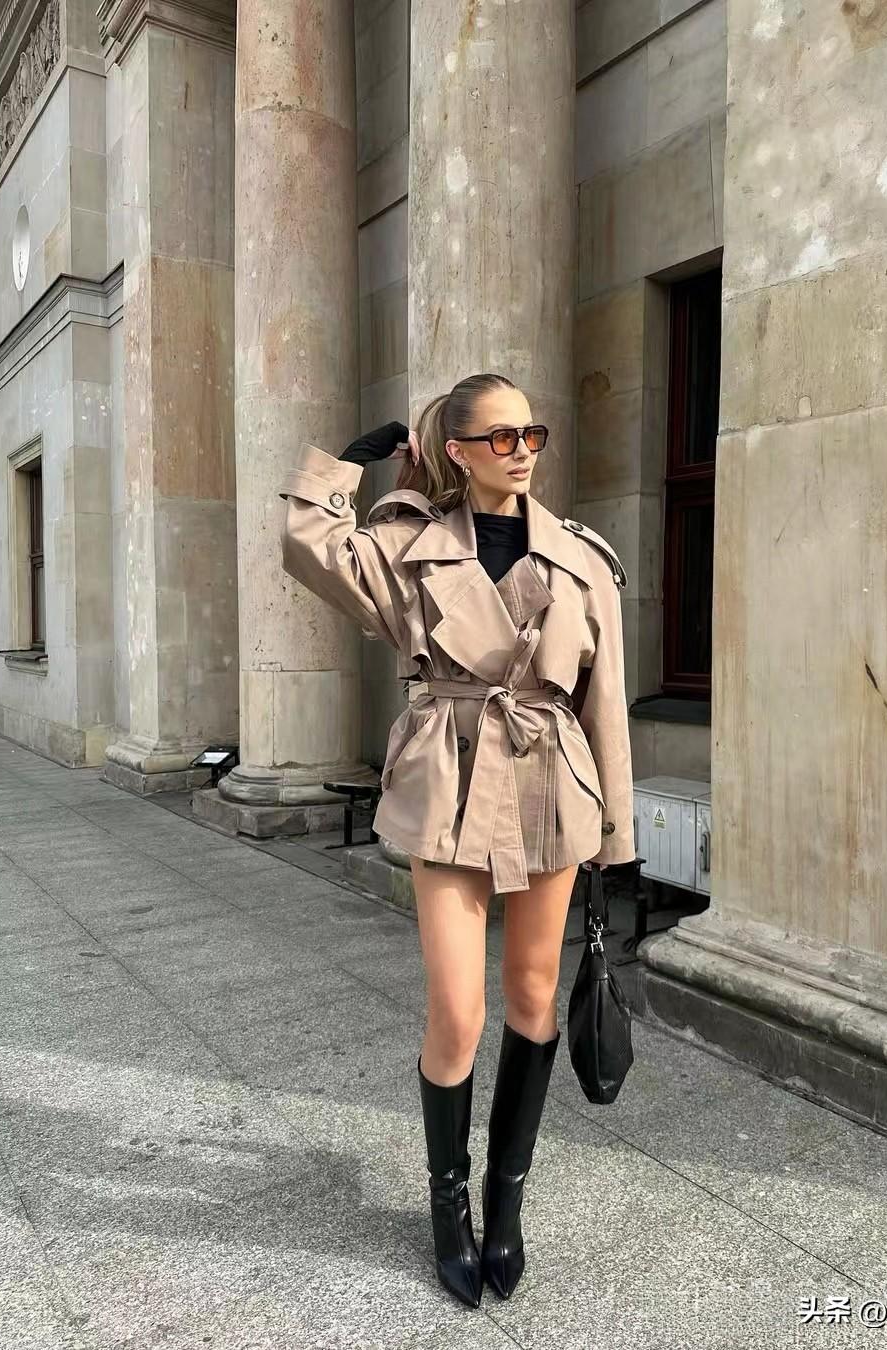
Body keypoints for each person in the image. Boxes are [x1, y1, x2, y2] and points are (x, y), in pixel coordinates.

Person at [277, 372, 636, 1307]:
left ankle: (505, 1202)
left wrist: (617, 837)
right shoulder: (410, 546)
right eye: (502, 436)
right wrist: (345, 468)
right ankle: (449, 1205)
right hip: (450, 778)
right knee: (457, 1013)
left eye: (532, 433)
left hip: (553, 779)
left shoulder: (581, 556)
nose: (523, 451)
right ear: (458, 451)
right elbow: (312, 548)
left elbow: (604, 702)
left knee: (533, 994)